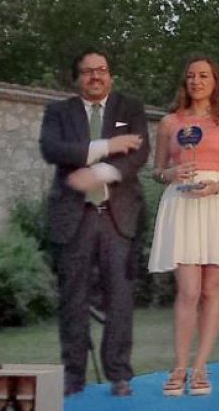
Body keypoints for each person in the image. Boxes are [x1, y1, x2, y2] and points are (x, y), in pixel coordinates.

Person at [40, 50, 149, 398]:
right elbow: (53, 149)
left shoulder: (129, 109)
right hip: (75, 218)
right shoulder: (58, 112)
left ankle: (119, 374)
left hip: (118, 218)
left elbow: (138, 155)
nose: (95, 76)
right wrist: (107, 145)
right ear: (77, 79)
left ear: (111, 75)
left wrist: (101, 170)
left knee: (120, 298)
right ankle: (73, 375)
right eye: (87, 72)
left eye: (101, 70)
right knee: (72, 299)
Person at [148, 56, 219, 396]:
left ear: (215, 81)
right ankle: (179, 366)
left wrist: (218, 186)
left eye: (204, 75)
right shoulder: (169, 122)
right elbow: (157, 170)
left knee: (212, 289)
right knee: (189, 290)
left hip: (218, 201)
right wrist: (170, 174)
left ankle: (200, 366)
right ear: (185, 82)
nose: (196, 81)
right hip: (182, 203)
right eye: (191, 75)